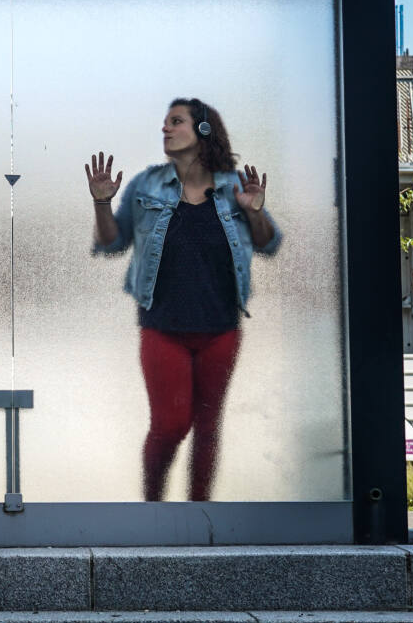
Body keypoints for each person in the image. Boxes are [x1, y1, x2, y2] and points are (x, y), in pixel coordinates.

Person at [87, 98, 280, 502]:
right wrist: (102, 202)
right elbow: (111, 242)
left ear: (203, 131)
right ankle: (153, 507)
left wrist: (256, 211)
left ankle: (199, 515)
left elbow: (267, 242)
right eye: (165, 122)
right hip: (163, 328)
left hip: (221, 329)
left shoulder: (233, 187)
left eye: (176, 122)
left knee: (208, 426)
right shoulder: (147, 185)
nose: (165, 128)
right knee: (171, 424)